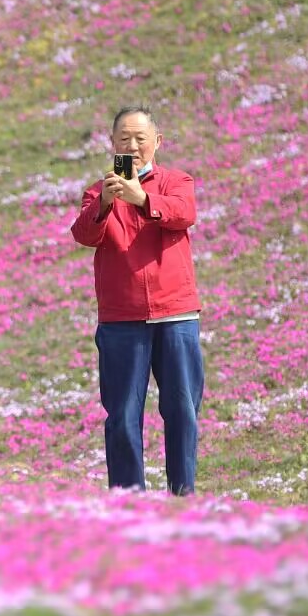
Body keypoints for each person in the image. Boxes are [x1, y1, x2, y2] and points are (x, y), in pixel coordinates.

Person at [69, 105, 204, 495]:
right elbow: (84, 234)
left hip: (175, 314)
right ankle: (129, 499)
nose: (132, 145)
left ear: (157, 142)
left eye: (140, 138)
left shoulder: (177, 180)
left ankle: (183, 494)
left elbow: (184, 213)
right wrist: (107, 204)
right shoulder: (97, 191)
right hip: (121, 319)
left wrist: (143, 198)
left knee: (182, 411)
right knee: (123, 415)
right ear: (111, 144)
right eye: (124, 139)